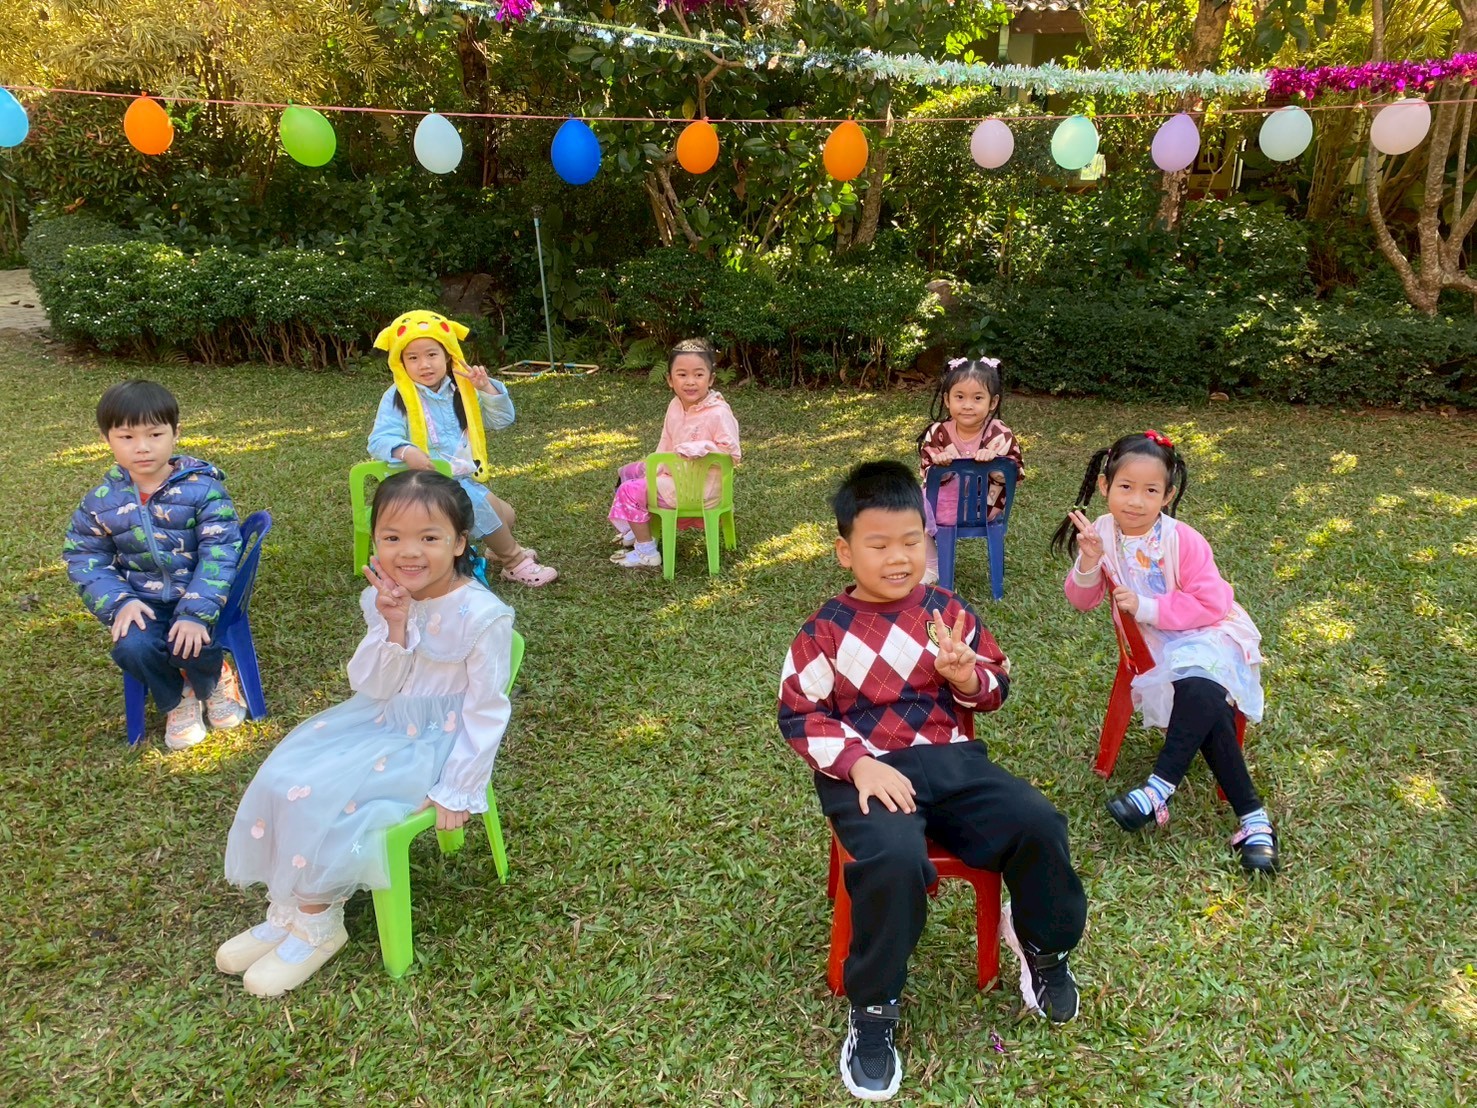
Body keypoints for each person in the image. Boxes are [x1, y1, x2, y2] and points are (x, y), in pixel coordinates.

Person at [778, 460, 1086, 1102]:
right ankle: (873, 1007)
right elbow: (799, 714)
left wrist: (967, 676)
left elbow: (994, 685)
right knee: (893, 859)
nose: (898, 558)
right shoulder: (822, 631)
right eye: (879, 544)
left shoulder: (948, 610)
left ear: (928, 539)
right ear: (844, 551)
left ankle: (1043, 948)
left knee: (1037, 822)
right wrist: (859, 764)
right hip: (866, 773)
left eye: (911, 541)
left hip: (952, 762)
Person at [219, 471, 514, 997]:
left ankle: (318, 924)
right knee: (286, 775)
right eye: (392, 537)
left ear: (459, 542)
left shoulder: (483, 615)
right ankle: (288, 909)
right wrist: (394, 624)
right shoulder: (385, 598)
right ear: (374, 539)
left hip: (436, 743)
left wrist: (458, 787)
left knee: (334, 796)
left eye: (429, 537)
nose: (409, 552)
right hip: (381, 719)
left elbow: (487, 710)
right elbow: (372, 685)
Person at [1052, 430, 1277, 876]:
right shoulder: (1101, 532)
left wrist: (1148, 607)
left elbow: (1213, 603)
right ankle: (1254, 820)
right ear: (1105, 486)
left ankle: (1157, 790)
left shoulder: (1183, 539)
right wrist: (1089, 560)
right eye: (1126, 487)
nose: (1136, 501)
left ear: (1168, 495)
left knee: (1199, 682)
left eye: (1151, 491)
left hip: (1210, 634)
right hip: (1155, 646)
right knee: (1206, 700)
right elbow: (1082, 600)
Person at [63, 380, 245, 750]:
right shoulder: (101, 501)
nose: (142, 447)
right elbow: (83, 556)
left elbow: (220, 550)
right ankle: (177, 699)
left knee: (189, 642)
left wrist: (194, 613)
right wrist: (119, 602)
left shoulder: (204, 490)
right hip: (141, 601)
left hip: (200, 596)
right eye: (126, 437)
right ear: (106, 439)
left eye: (155, 434)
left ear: (175, 433)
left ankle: (214, 680)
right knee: (133, 647)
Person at [368, 309, 557, 587]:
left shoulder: (462, 389)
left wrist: (486, 389)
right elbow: (379, 439)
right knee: (478, 505)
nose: (424, 365)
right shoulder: (397, 395)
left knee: (506, 514)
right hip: (421, 485)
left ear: (448, 355)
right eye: (413, 358)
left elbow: (501, 420)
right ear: (400, 362)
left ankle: (496, 547)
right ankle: (514, 562)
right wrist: (407, 451)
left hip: (460, 478)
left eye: (432, 354)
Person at [607, 337, 741, 568]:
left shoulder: (718, 413)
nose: (690, 382)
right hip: (674, 475)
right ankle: (636, 528)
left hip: (699, 488)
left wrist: (704, 448)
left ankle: (647, 552)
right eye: (682, 374)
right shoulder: (675, 406)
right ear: (670, 379)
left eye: (698, 375)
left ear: (711, 379)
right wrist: (654, 469)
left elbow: (732, 454)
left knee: (630, 491)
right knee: (628, 472)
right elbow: (665, 442)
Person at [915, 357, 1021, 585]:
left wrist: (994, 463)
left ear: (993, 402)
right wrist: (939, 464)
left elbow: (1013, 474)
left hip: (983, 508)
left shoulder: (999, 434)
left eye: (978, 398)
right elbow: (928, 475)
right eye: (960, 397)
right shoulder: (938, 432)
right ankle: (932, 563)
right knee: (910, 503)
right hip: (944, 504)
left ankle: (932, 565)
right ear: (947, 399)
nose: (967, 405)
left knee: (917, 511)